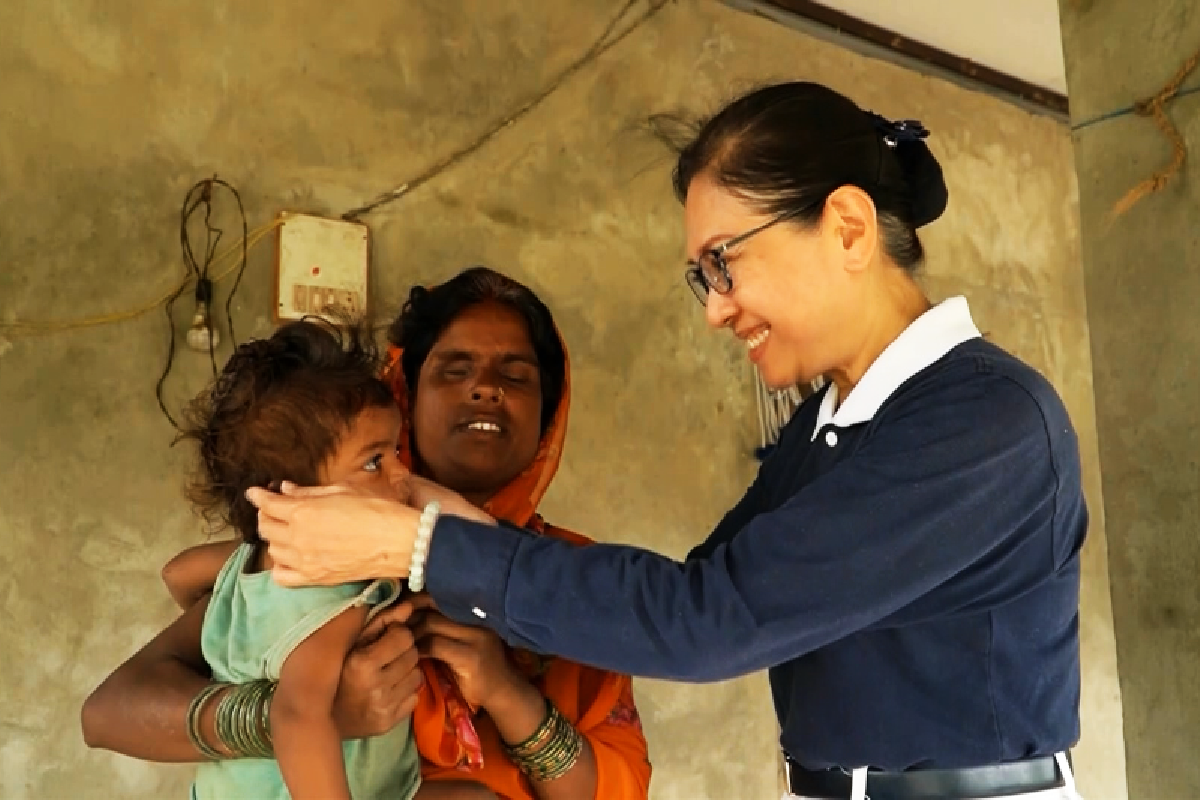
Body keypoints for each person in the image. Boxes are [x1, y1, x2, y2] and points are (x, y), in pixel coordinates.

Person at [248, 82, 1089, 800]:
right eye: (702, 278)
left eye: (724, 263)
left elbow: (708, 624)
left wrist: (421, 543)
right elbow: (696, 589)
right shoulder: (834, 420)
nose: (715, 309)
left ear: (846, 229)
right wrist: (449, 524)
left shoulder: (982, 423)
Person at [82, 267, 652, 800]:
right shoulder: (318, 552)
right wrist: (317, 711)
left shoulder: (573, 582)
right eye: (453, 368)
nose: (484, 387)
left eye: (516, 373)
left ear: (548, 411)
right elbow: (111, 711)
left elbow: (610, 789)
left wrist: (505, 691)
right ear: (406, 392)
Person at [151, 318, 440, 800]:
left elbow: (176, 573)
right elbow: (299, 715)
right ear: (301, 497)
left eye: (395, 451)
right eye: (374, 462)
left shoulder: (247, 565)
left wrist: (246, 637)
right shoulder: (338, 592)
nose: (402, 473)